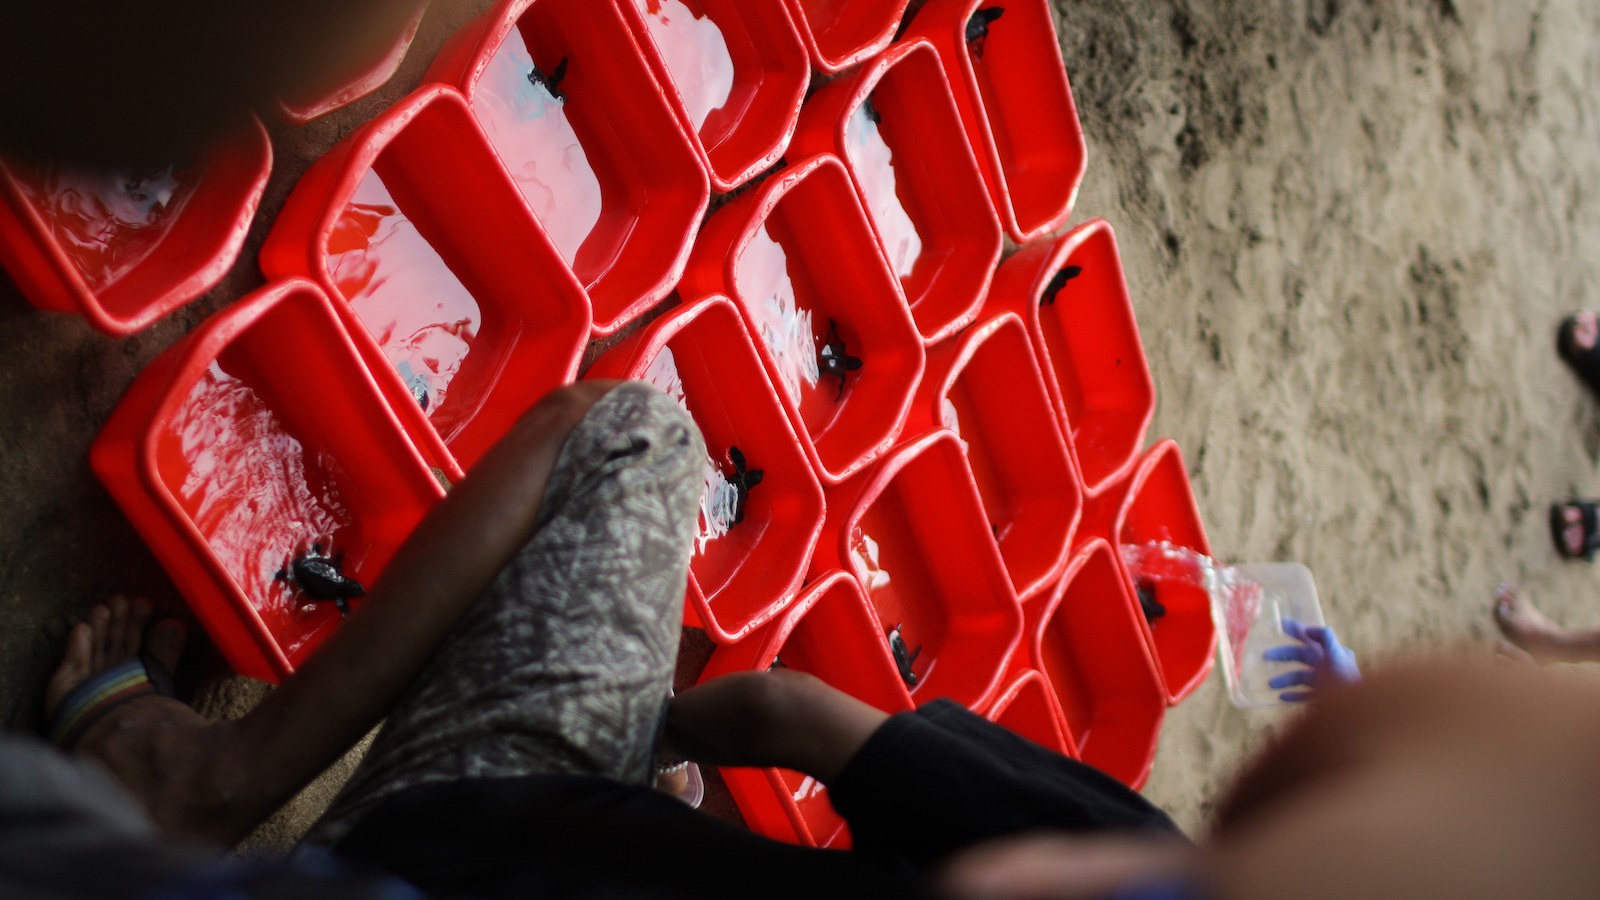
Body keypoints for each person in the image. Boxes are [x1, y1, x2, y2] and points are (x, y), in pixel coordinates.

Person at [4, 379, 1182, 899]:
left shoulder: (1136, 861)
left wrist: (659, 726)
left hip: (481, 848)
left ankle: (210, 776)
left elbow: (779, 709)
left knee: (627, 435)